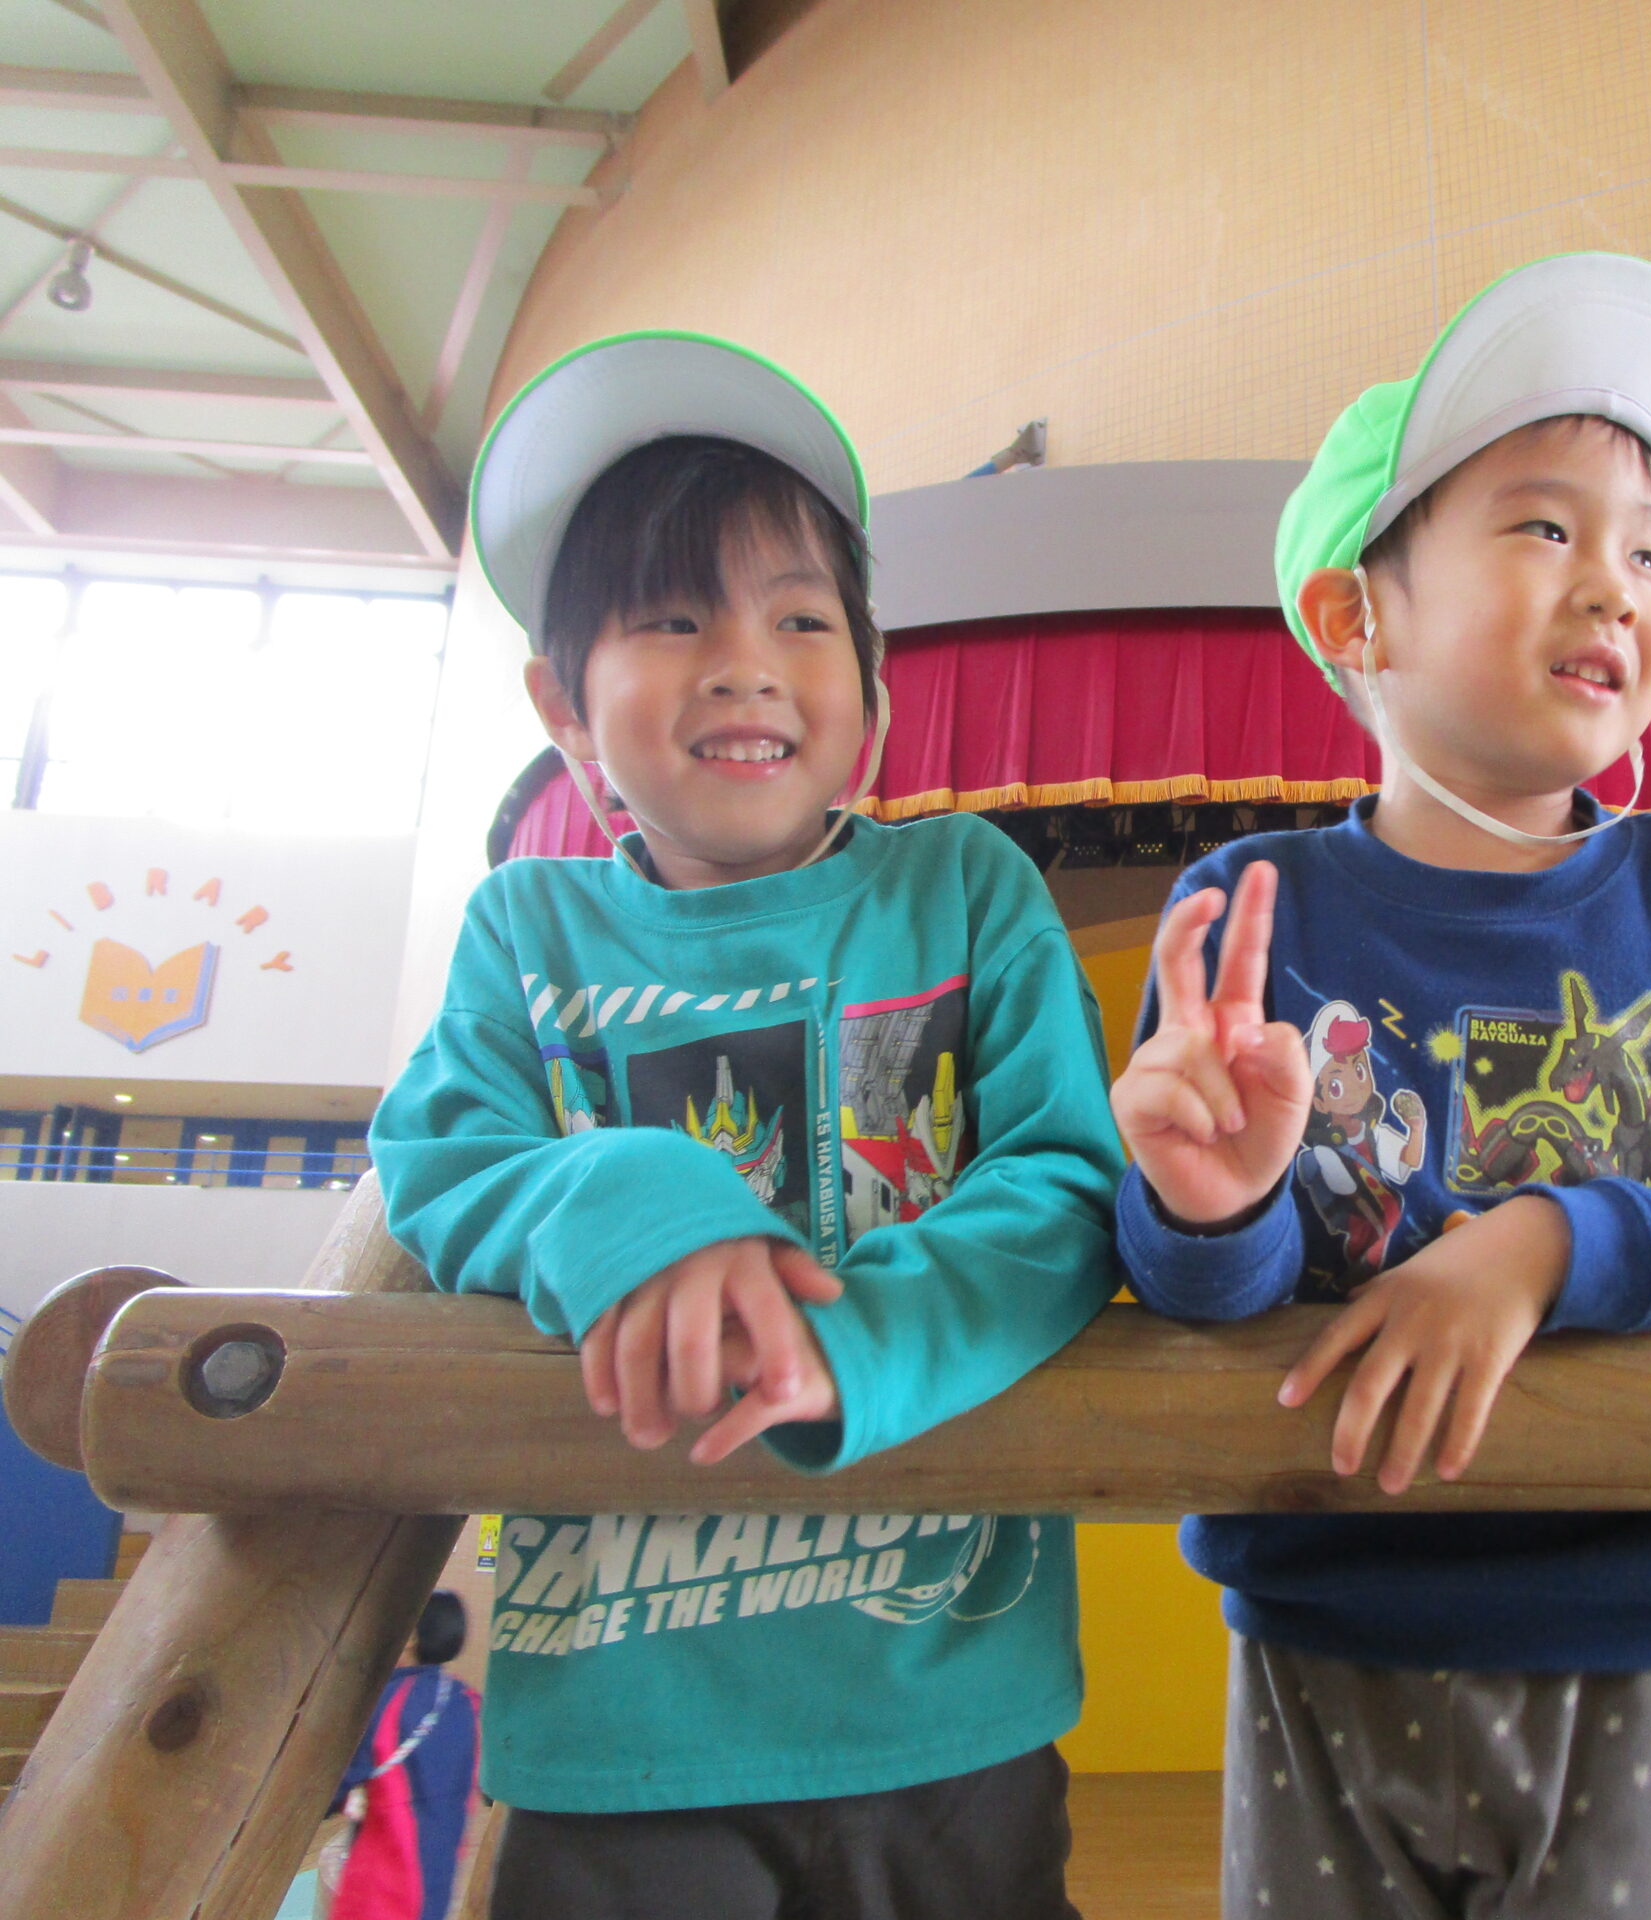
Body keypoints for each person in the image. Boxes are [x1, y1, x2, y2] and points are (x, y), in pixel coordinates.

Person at [1110, 254, 1651, 1918]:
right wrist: (1208, 1206)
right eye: (1544, 527)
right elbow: (1198, 1297)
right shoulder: (1252, 911)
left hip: (1622, 1629)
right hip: (1312, 1628)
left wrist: (1542, 1247)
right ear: (1356, 617)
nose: (1617, 588)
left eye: (1647, 551)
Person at [370, 332, 1123, 1920]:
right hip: (618, 1729)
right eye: (673, 617)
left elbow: (1064, 1185)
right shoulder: (525, 929)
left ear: (872, 695)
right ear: (563, 706)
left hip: (945, 1698)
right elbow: (440, 1160)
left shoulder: (965, 891)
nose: (743, 660)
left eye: (800, 618)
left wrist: (851, 1342)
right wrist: (646, 1205)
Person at [327, 1590, 482, 1920]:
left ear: (411, 1637)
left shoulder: (389, 1700)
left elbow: (338, 1783)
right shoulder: (468, 1701)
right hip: (437, 1879)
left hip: (382, 1880)